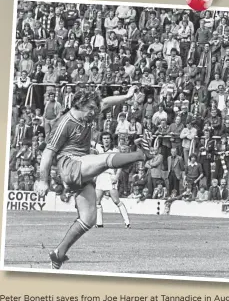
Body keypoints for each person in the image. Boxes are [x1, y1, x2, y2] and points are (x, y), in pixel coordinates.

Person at [36, 85, 153, 269]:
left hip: (83, 168)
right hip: (70, 165)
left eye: (95, 108)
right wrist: (43, 180)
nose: (95, 112)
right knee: (105, 159)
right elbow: (47, 154)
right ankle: (141, 155)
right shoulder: (64, 123)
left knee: (89, 218)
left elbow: (105, 102)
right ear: (79, 105)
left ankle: (58, 254)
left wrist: (127, 96)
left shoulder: (89, 112)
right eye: (91, 108)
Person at [94, 132, 130, 229]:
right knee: (97, 201)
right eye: (104, 138)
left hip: (110, 177)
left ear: (111, 140)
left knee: (116, 200)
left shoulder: (115, 151)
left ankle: (127, 222)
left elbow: (120, 165)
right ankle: (99, 223)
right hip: (100, 176)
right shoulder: (99, 148)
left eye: (108, 138)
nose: (106, 140)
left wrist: (117, 176)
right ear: (102, 140)